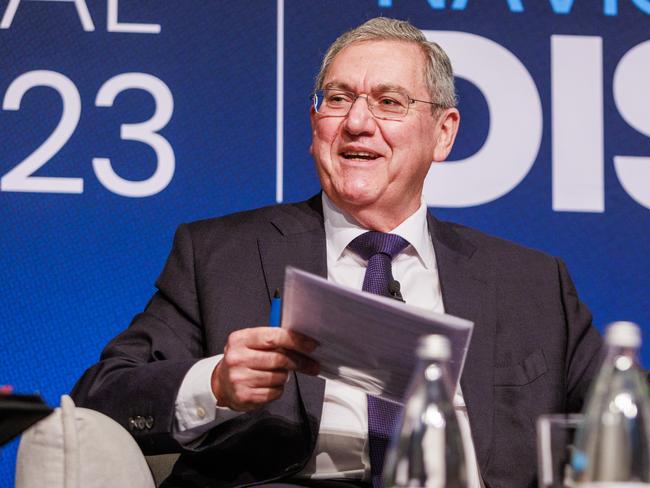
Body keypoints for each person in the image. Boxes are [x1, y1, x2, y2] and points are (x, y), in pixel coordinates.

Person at [72, 17, 603, 488]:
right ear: (314, 124)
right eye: (338, 98)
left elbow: (624, 414)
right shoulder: (221, 255)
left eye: (390, 102)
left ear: (443, 134)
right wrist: (214, 383)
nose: (356, 123)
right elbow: (99, 399)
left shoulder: (530, 282)